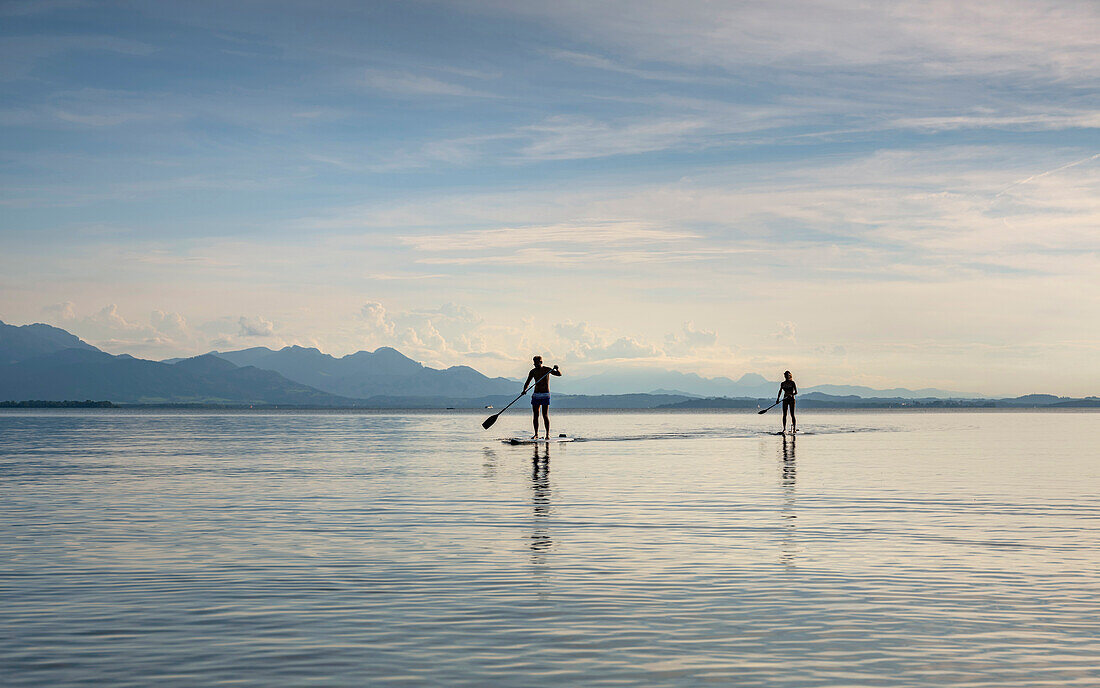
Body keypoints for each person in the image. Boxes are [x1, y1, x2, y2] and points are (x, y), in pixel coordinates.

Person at [523, 355, 561, 439]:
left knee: (545, 414)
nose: (535, 364)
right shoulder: (532, 371)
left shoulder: (547, 369)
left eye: (537, 363)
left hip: (545, 394)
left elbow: (559, 374)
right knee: (535, 415)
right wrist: (524, 390)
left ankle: (547, 434)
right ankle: (536, 434)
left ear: (541, 362)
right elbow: (527, 382)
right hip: (536, 394)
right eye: (534, 363)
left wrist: (557, 369)